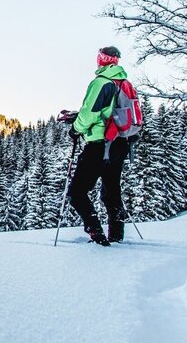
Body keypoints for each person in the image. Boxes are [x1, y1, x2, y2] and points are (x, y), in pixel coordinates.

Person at [68, 46, 133, 246]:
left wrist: (75, 128)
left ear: (102, 60)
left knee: (77, 192)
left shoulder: (101, 82)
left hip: (99, 144)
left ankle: (96, 233)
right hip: (120, 143)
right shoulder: (124, 83)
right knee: (111, 193)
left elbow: (89, 114)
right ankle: (117, 235)